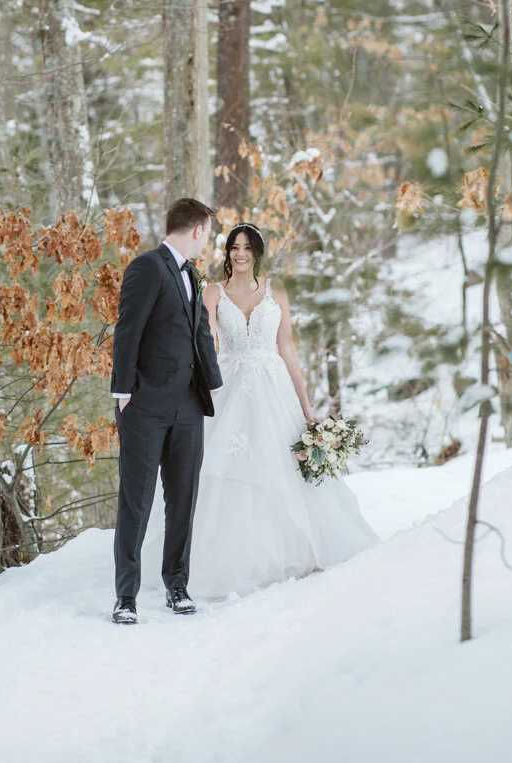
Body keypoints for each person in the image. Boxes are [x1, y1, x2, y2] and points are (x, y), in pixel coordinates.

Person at [187, 223, 377, 598]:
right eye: (234, 247)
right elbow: (204, 338)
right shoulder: (212, 291)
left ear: (257, 252)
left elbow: (287, 348)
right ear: (227, 252)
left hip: (274, 390)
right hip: (228, 386)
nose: (240, 254)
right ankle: (228, 561)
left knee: (281, 467)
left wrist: (307, 408)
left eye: (247, 247)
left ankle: (292, 549)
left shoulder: (277, 291)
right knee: (225, 471)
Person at [108, 198, 223, 625]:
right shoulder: (146, 267)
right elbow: (127, 331)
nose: (207, 240)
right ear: (196, 230)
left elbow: (199, 335)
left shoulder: (192, 274)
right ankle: (126, 597)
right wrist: (123, 394)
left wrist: (214, 384)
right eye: (207, 233)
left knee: (183, 499)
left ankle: (177, 586)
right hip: (145, 407)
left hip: (189, 406)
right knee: (135, 502)